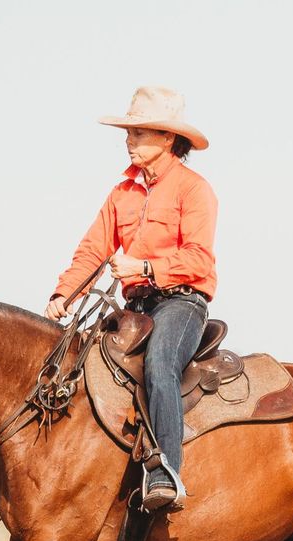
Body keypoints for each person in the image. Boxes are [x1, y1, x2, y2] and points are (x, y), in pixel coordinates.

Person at [47, 86, 217, 512]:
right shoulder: (121, 193)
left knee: (160, 363)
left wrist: (145, 267)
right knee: (76, 360)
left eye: (139, 132)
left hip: (181, 302)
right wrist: (65, 293)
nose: (129, 140)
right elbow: (93, 249)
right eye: (128, 132)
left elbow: (199, 258)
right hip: (135, 307)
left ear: (167, 138)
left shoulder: (194, 190)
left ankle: (165, 473)